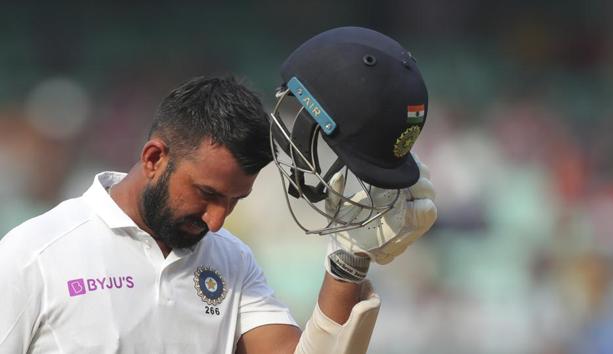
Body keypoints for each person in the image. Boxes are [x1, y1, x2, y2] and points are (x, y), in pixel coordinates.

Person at [0, 27, 437, 354]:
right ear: (154, 158)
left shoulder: (232, 260)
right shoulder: (33, 257)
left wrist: (349, 263)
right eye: (207, 193)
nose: (216, 220)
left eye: (233, 201)